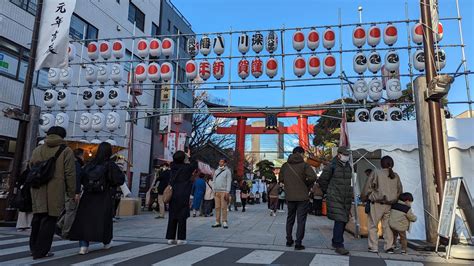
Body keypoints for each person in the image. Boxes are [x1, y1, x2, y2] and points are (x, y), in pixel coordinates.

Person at [69, 142, 125, 255]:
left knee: (85, 220)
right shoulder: (110, 165)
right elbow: (119, 180)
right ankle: (106, 242)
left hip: (88, 196)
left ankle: (83, 246)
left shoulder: (90, 164)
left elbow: (81, 177)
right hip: (104, 196)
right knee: (104, 220)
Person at [29, 126, 76, 259]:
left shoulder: (38, 149)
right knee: (49, 220)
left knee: (37, 218)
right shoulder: (66, 151)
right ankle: (41, 251)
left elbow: (31, 166)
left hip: (37, 188)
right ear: (62, 136)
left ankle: (33, 248)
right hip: (55, 190)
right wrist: (71, 192)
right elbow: (70, 174)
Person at [362, 155, 403, 254]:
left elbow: (368, 187)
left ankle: (373, 247)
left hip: (377, 203)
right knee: (387, 226)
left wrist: (364, 197)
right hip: (390, 204)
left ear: (381, 163)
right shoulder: (396, 175)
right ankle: (389, 247)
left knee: (373, 226)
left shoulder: (376, 172)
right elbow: (400, 191)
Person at [279, 146, 317, 250]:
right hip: (302, 197)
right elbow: (313, 177)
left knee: (290, 218)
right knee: (301, 220)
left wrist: (289, 184)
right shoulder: (304, 165)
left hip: (290, 196)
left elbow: (281, 179)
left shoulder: (285, 166)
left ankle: (288, 240)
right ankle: (298, 243)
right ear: (300, 154)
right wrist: (306, 184)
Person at [317, 146, 353, 256]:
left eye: (348, 155)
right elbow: (322, 180)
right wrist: (328, 191)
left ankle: (335, 241)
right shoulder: (331, 166)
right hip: (335, 196)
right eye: (345, 155)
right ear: (339, 154)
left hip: (346, 197)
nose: (346, 157)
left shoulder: (348, 166)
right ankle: (338, 244)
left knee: (344, 220)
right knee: (340, 219)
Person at [165, 151, 198, 245]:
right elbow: (195, 164)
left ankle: (170, 237)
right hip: (183, 193)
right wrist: (189, 157)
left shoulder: (173, 167)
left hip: (173, 193)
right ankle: (181, 238)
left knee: (172, 215)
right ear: (183, 158)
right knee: (182, 216)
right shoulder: (186, 168)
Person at [58, 148, 84, 239]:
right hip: (71, 191)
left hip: (64, 189)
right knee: (71, 211)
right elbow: (75, 178)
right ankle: (66, 232)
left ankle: (59, 225)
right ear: (80, 155)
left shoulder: (68, 163)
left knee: (68, 210)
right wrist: (76, 192)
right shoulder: (76, 164)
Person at [212, 159, 232, 229]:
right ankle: (217, 221)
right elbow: (213, 181)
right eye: (219, 161)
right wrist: (213, 190)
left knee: (224, 207)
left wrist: (227, 191)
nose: (220, 163)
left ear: (225, 163)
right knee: (217, 207)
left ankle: (224, 221)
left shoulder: (227, 171)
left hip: (224, 191)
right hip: (216, 192)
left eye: (222, 161)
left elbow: (229, 181)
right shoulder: (216, 171)